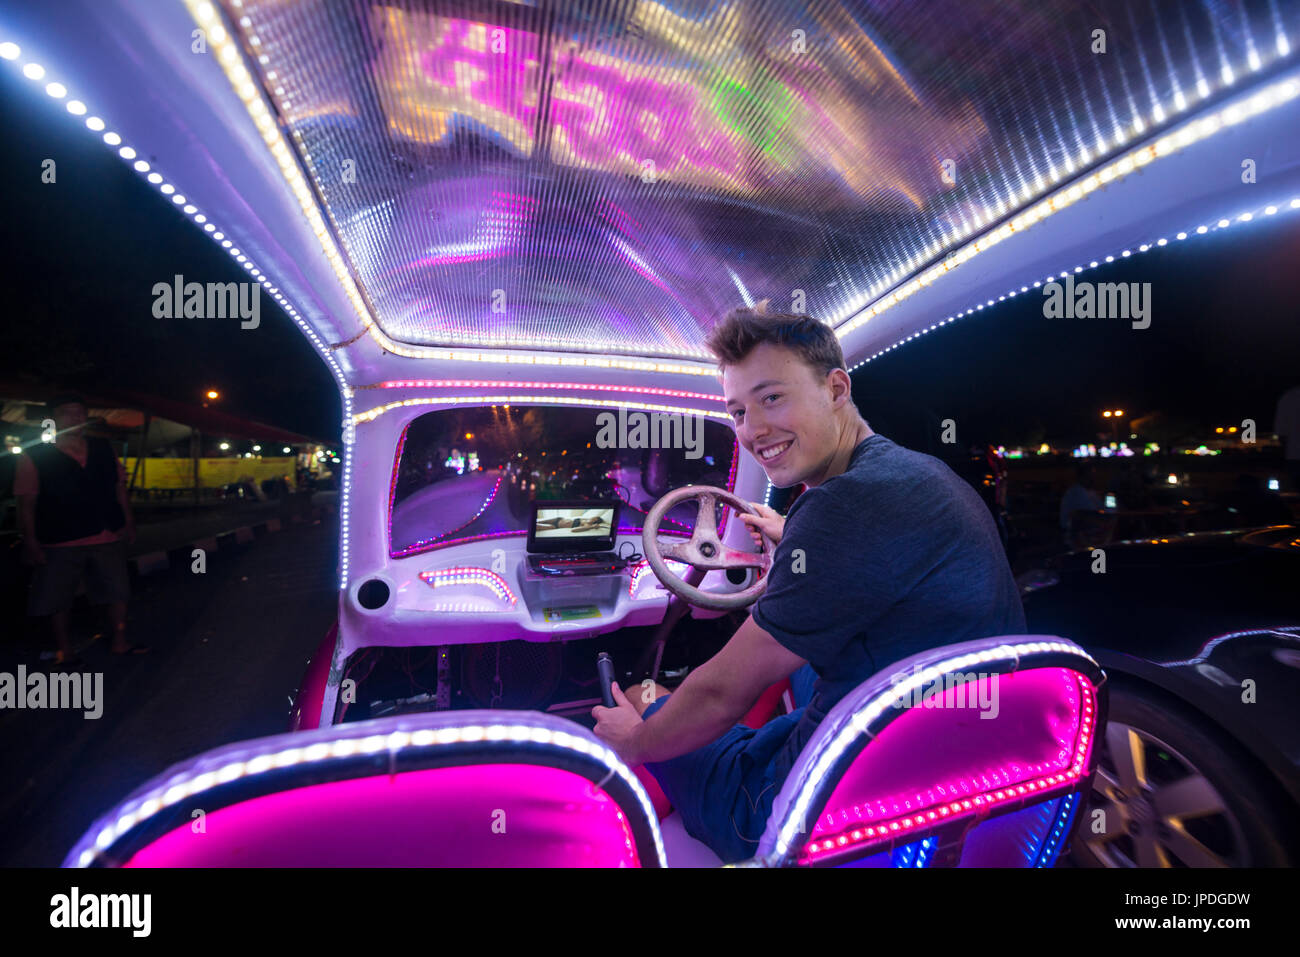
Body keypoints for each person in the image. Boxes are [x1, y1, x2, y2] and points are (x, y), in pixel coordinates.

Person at [591, 307, 1025, 862]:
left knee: (644, 698)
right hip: (939, 769)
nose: (752, 430)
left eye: (772, 398)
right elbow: (855, 558)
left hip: (809, 808)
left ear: (836, 387)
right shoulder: (921, 475)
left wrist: (634, 740)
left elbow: (721, 693)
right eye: (738, 411)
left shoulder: (842, 508)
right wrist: (789, 535)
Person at [15, 394, 147, 663]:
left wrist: (128, 520)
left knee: (117, 591)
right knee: (57, 597)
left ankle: (120, 642)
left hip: (106, 532)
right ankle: (65, 649)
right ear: (53, 420)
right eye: (67, 413)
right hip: (59, 539)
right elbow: (26, 503)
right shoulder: (35, 456)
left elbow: (118, 487)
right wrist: (30, 541)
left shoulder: (103, 448)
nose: (75, 419)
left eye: (79, 413)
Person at [1059, 462, 1103, 544]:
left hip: (1087, 534)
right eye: (1091, 475)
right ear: (1083, 476)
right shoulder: (1076, 493)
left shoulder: (1091, 492)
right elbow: (1094, 514)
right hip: (1076, 538)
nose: (1094, 478)